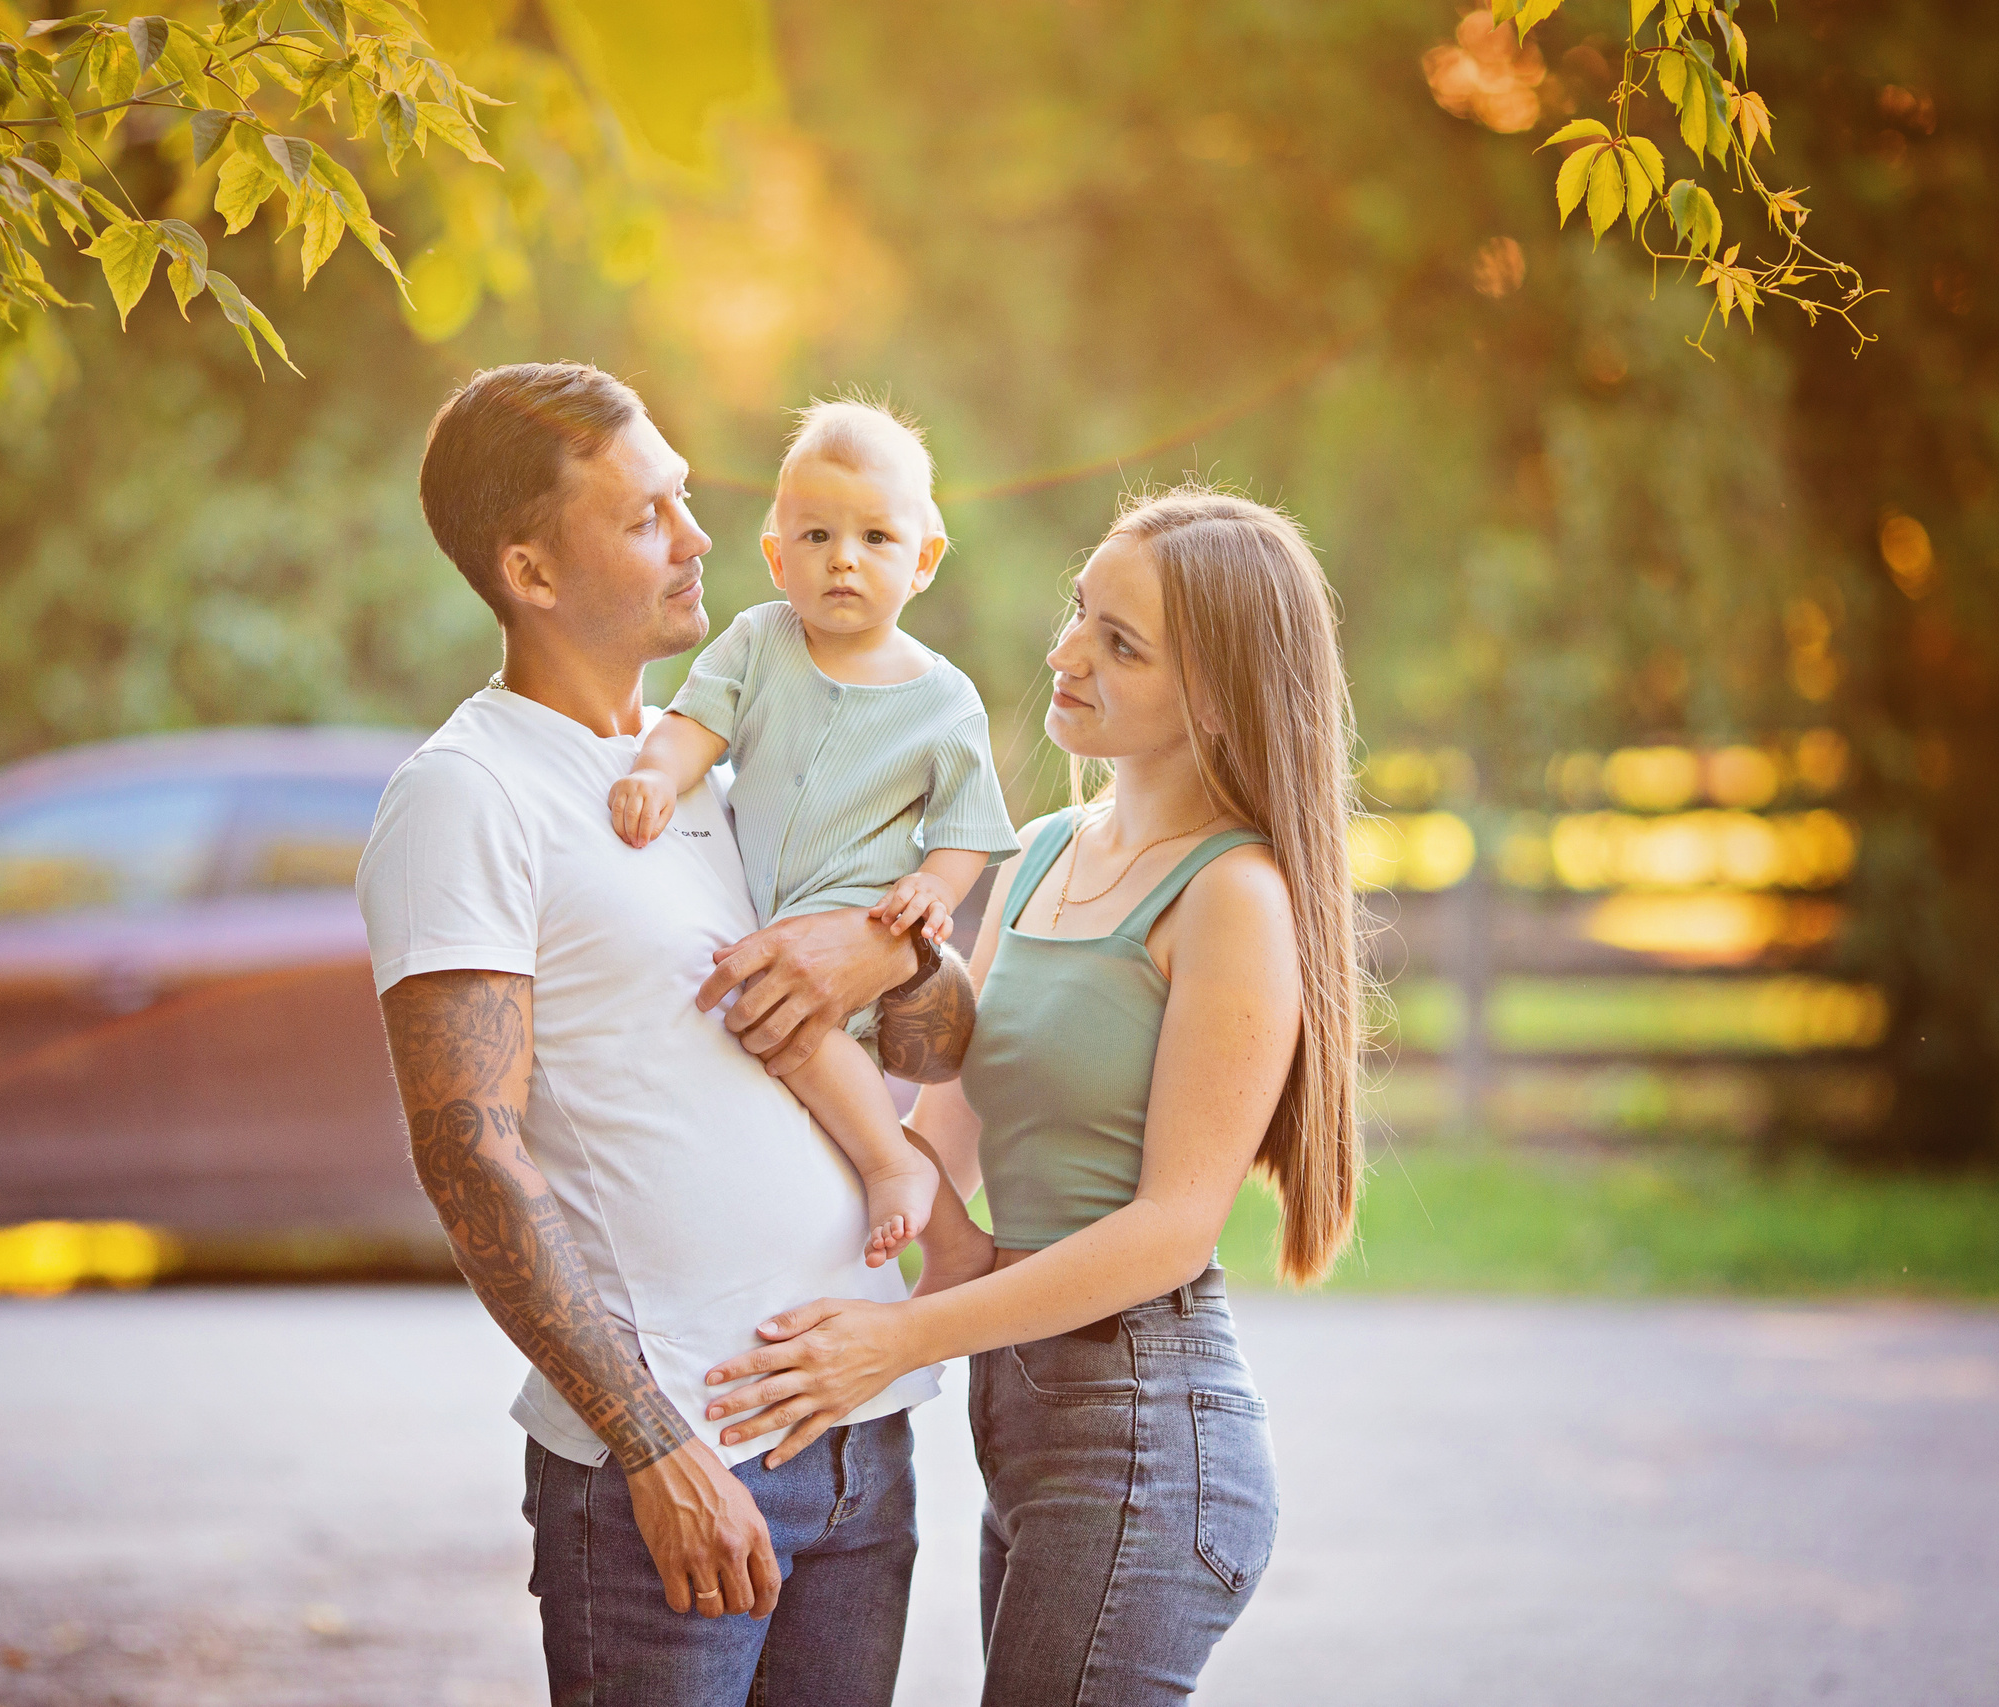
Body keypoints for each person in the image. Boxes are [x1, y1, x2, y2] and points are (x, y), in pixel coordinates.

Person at [356, 362, 977, 1705]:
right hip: (674, 1469)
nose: (699, 538)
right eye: (646, 516)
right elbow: (469, 1152)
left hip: (858, 1437)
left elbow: (930, 1047)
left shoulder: (730, 776)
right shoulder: (468, 793)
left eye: (685, 497)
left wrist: (895, 945)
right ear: (529, 569)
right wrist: (653, 1445)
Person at [699, 484, 1366, 1706]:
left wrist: (898, 1338)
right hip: (1028, 1415)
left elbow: (1171, 1230)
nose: (1064, 655)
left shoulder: (1231, 895)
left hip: (1143, 1427)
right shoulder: (1046, 851)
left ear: (1218, 696)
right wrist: (796, 1052)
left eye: (1120, 644)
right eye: (1078, 613)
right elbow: (936, 1151)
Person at [609, 399, 1020, 1266]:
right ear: (776, 555)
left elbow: (967, 826)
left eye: (876, 537)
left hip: (857, 918)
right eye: (817, 536)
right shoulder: (759, 641)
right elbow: (695, 723)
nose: (844, 558)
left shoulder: (944, 699)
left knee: (802, 1040)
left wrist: (934, 887)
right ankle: (937, 1230)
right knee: (802, 1077)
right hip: (758, 909)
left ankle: (892, 1166)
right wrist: (655, 772)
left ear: (924, 560)